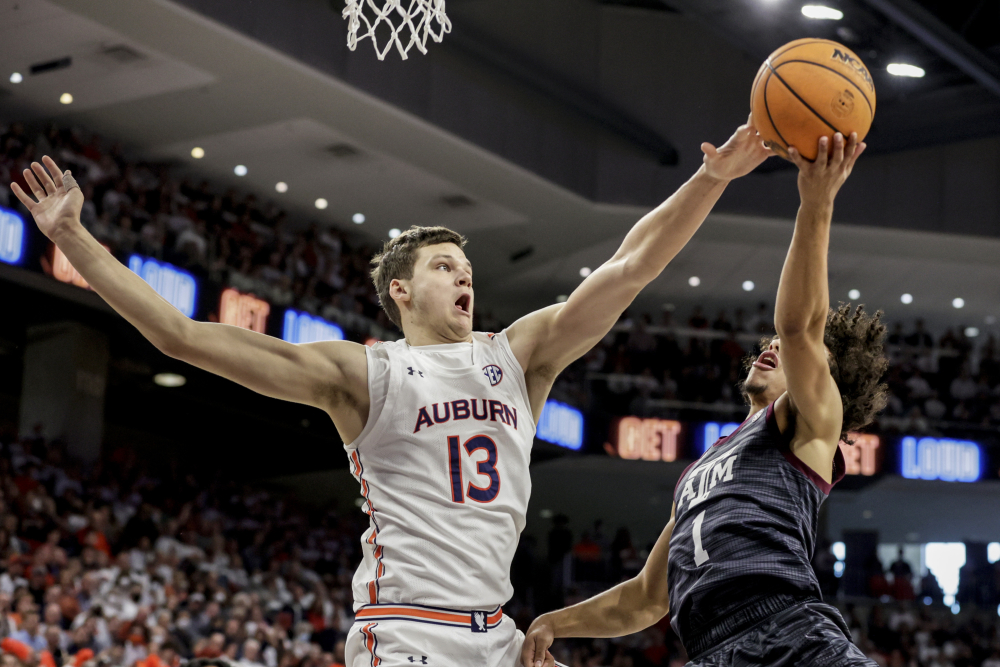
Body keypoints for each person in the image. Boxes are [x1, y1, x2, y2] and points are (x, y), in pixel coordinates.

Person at [11, 119, 771, 667]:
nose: (464, 274)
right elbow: (182, 336)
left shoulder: (521, 354)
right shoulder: (364, 373)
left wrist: (712, 177)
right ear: (400, 290)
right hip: (408, 633)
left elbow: (630, 267)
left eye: (466, 267)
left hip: (499, 636)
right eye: (445, 265)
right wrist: (74, 237)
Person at [522, 132, 888, 667]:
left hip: (790, 634)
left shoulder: (813, 421)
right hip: (711, 652)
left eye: (792, 352)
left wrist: (817, 201)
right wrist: (557, 621)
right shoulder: (700, 473)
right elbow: (645, 599)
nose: (773, 345)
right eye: (770, 343)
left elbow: (798, 326)